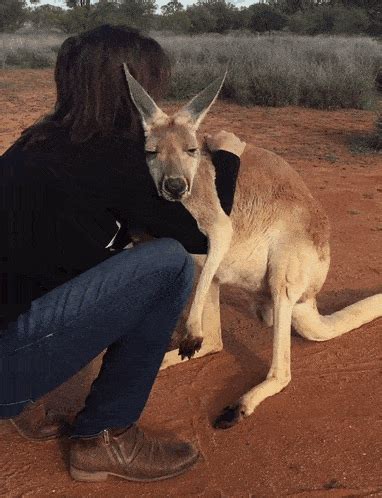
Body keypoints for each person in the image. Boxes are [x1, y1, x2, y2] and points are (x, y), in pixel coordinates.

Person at [0, 25, 245, 483]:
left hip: (12, 340)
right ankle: (104, 435)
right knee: (168, 265)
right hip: (8, 364)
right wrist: (228, 160)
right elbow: (198, 235)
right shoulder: (113, 159)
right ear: (129, 94)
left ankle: (23, 397)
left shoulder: (32, 142)